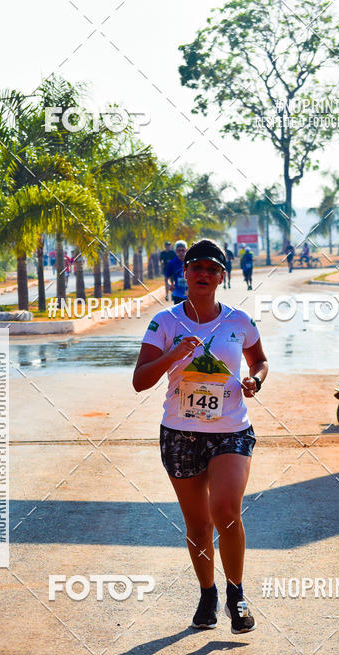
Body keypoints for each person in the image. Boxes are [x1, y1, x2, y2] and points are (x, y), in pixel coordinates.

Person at [133, 238, 268, 633]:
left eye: (212, 269)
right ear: (185, 273)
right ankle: (207, 592)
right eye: (197, 268)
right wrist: (171, 356)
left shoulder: (239, 320)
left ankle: (235, 594)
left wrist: (253, 380)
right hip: (179, 432)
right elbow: (140, 381)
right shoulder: (166, 322)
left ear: (222, 277)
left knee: (225, 511)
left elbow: (259, 361)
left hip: (231, 430)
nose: (204, 275)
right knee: (197, 526)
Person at [165, 240, 188, 305]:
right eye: (178, 250)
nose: (181, 252)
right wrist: (169, 285)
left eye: (182, 250)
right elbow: (166, 278)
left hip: (191, 295)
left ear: (186, 250)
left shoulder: (190, 262)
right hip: (178, 295)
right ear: (175, 251)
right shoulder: (172, 263)